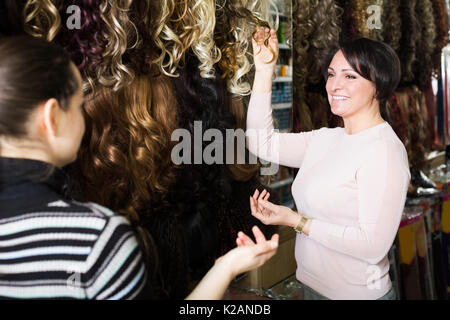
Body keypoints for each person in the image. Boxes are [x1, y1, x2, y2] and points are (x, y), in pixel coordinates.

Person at [0, 35, 279, 300]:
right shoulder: (97, 240)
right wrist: (227, 267)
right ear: (51, 118)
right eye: (77, 107)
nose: (84, 121)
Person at [243, 28, 410, 300]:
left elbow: (372, 246)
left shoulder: (384, 150)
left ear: (378, 85)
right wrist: (264, 71)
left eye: (350, 76)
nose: (334, 86)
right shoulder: (325, 139)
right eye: (332, 75)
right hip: (311, 288)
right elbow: (260, 143)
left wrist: (296, 221)